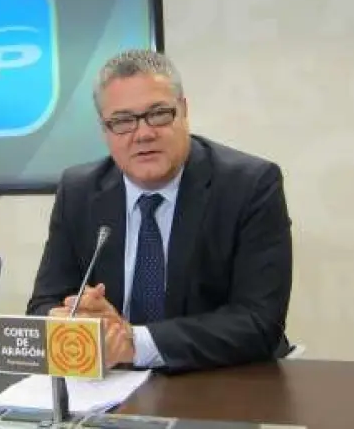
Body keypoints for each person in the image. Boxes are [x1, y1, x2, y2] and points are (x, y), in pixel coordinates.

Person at [26, 49, 293, 373]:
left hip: (219, 378)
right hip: (110, 385)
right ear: (104, 130)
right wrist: (78, 318)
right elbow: (43, 306)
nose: (143, 134)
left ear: (183, 111)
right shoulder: (79, 190)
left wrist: (135, 342)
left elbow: (258, 322)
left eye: (158, 114)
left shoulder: (249, 185)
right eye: (123, 121)